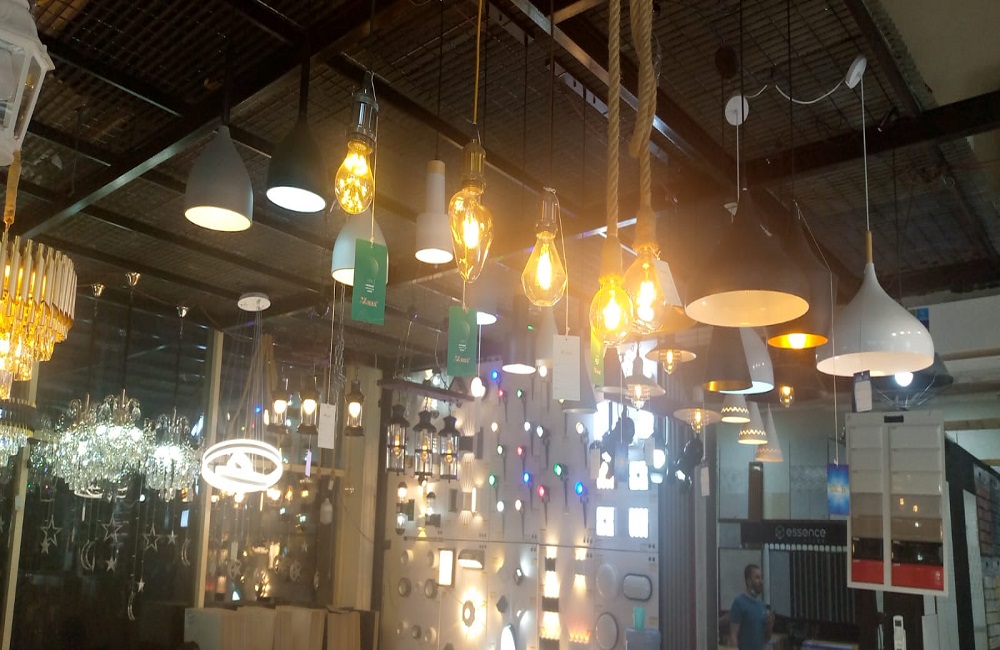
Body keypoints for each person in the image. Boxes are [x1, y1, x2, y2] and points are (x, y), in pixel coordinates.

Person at [728, 563, 774, 649]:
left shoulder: (761, 605)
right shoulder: (739, 602)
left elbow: (767, 638)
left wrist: (770, 626)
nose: (761, 581)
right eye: (757, 578)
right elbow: (733, 635)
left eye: (761, 578)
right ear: (749, 581)